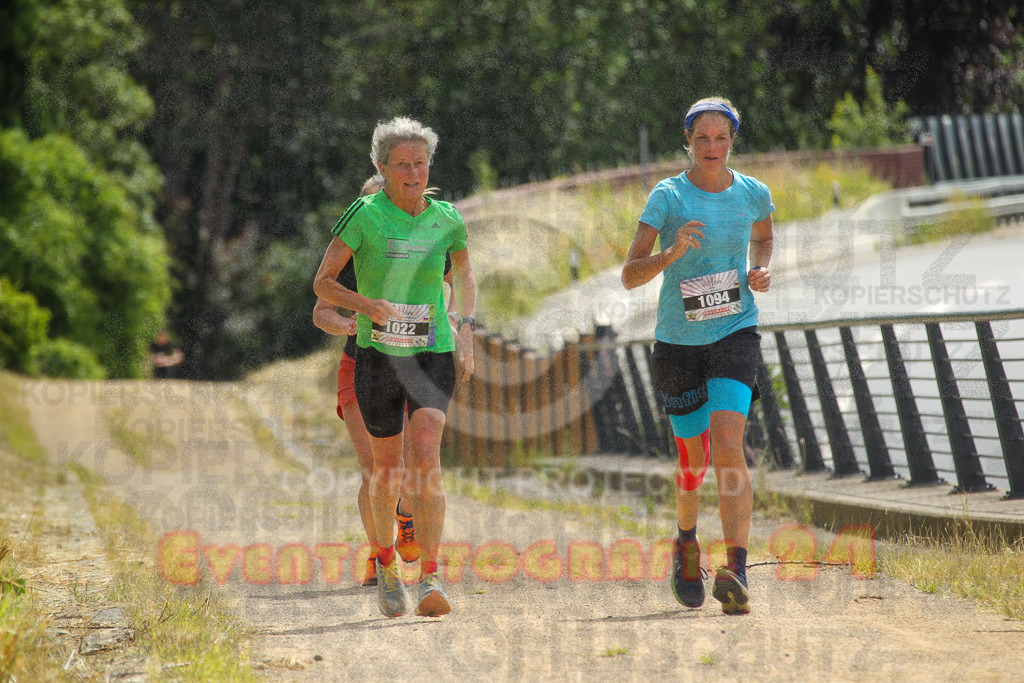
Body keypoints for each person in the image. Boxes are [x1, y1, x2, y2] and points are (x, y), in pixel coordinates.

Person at [313, 117, 476, 618]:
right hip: (378, 356)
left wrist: (465, 328)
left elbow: (465, 276)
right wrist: (365, 306)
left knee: (426, 457)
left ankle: (430, 576)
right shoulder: (363, 215)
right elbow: (323, 284)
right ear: (382, 169)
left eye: (420, 163)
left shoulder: (447, 218)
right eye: (401, 164)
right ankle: (386, 563)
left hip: (431, 352)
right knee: (387, 470)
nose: (412, 171)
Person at [621, 97, 774, 615]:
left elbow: (765, 236)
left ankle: (736, 567)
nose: (712, 147)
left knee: (730, 442)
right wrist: (671, 254)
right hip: (678, 344)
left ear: (734, 140)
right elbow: (629, 274)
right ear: (687, 140)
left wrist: (760, 269)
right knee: (693, 461)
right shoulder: (667, 196)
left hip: (735, 330)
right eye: (701, 138)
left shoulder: (754, 193)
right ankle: (686, 541)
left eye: (721, 138)